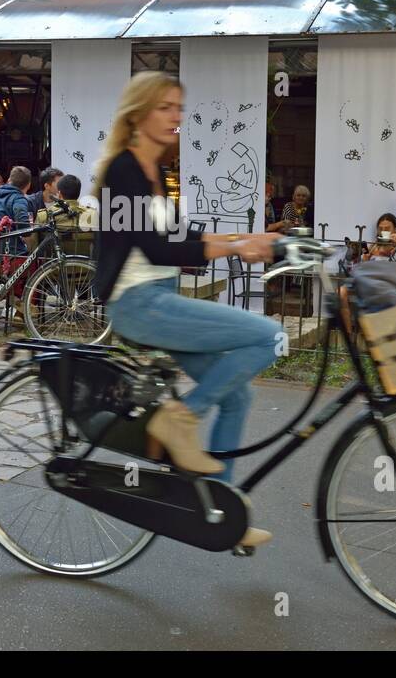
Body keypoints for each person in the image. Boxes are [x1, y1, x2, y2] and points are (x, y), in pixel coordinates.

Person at [93, 72, 281, 548]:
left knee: (238, 396)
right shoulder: (123, 170)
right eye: (165, 108)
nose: (177, 117)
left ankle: (219, 512)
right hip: (139, 303)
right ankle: (183, 418)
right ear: (138, 114)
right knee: (266, 336)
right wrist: (239, 248)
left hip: (160, 301)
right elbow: (157, 248)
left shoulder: (157, 175)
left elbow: (185, 238)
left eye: (179, 108)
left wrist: (247, 241)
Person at [36, 173, 96, 255]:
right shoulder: (92, 214)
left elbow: (34, 246)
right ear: (78, 193)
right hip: (85, 266)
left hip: (52, 266)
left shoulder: (44, 215)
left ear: (59, 193)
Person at [0, 165, 34, 254]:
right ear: (29, 185)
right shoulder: (19, 199)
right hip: (11, 250)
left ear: (9, 180)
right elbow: (23, 226)